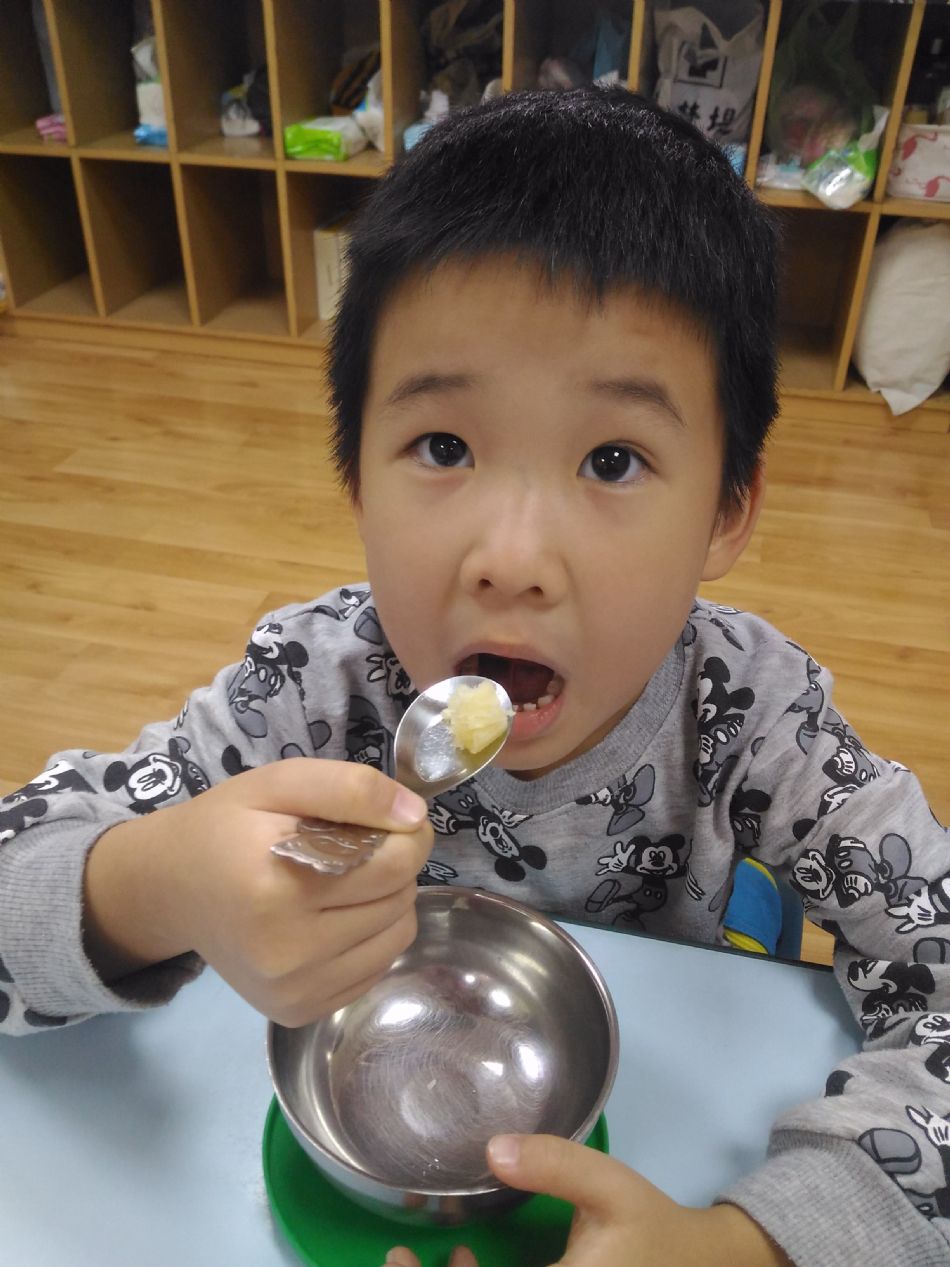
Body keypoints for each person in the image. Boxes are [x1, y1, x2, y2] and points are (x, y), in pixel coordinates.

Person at [0, 86, 947, 1266]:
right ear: (356, 478)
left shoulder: (756, 722)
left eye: (612, 458)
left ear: (724, 510)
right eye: (442, 445)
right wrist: (154, 883)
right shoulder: (311, 689)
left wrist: (753, 1243)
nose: (510, 558)